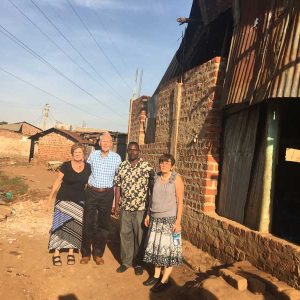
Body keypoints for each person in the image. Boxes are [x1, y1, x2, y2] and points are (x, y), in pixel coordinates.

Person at [143, 153, 184, 293]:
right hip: (155, 219)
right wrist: (148, 214)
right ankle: (155, 276)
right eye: (161, 162)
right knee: (156, 249)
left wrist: (178, 222)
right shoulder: (155, 177)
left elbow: (180, 202)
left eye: (166, 163)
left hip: (169, 220)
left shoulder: (176, 178)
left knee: (168, 252)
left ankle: (165, 280)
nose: (163, 165)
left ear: (172, 165)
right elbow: (151, 197)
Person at [47, 143, 91, 266]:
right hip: (63, 200)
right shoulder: (66, 166)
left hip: (79, 202)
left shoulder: (88, 167)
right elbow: (57, 181)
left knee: (74, 227)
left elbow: (89, 185)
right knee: (59, 226)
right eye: (75, 153)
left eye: (80, 153)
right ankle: (56, 252)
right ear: (72, 154)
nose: (78, 155)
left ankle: (71, 252)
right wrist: (50, 198)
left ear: (83, 154)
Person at [80, 132, 121, 265]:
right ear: (99, 143)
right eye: (103, 141)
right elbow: (86, 171)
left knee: (103, 225)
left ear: (111, 144)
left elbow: (118, 179)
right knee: (88, 222)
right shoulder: (93, 155)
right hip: (91, 192)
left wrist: (116, 200)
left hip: (107, 194)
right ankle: (85, 253)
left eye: (108, 142)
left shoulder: (116, 158)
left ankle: (98, 254)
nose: (105, 144)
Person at [114, 142, 154, 275]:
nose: (132, 152)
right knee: (125, 234)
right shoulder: (122, 166)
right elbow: (118, 186)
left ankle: (138, 263)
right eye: (129, 150)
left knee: (139, 236)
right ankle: (126, 262)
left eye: (134, 150)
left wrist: (149, 209)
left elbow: (151, 189)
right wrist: (117, 204)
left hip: (140, 209)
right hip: (125, 207)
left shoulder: (146, 167)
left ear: (139, 151)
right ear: (127, 151)